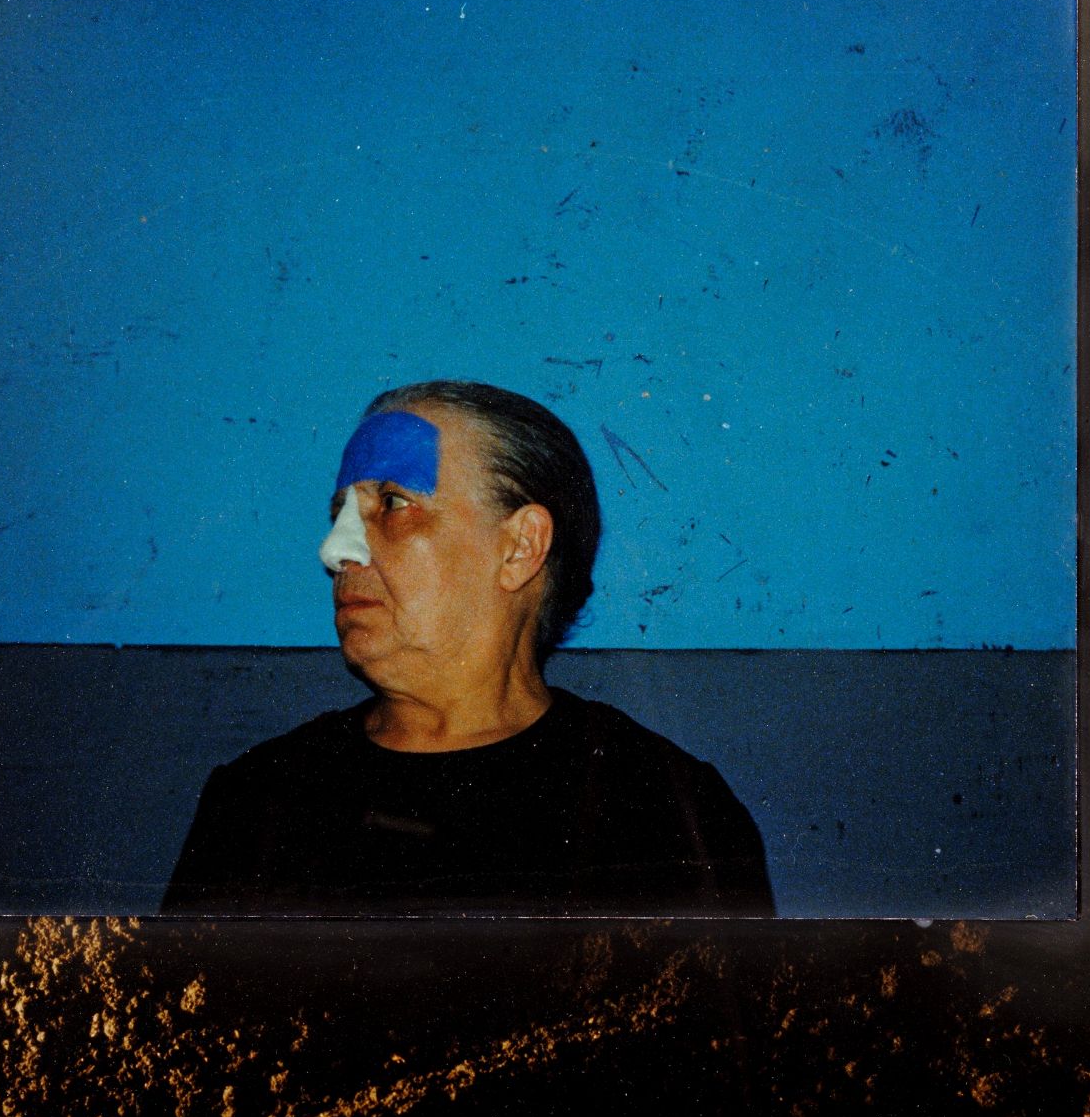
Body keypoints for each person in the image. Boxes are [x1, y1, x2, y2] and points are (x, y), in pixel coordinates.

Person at [160, 380, 774, 914]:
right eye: (340, 513)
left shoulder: (663, 810)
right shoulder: (259, 801)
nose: (335, 550)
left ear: (520, 548)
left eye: (393, 504)